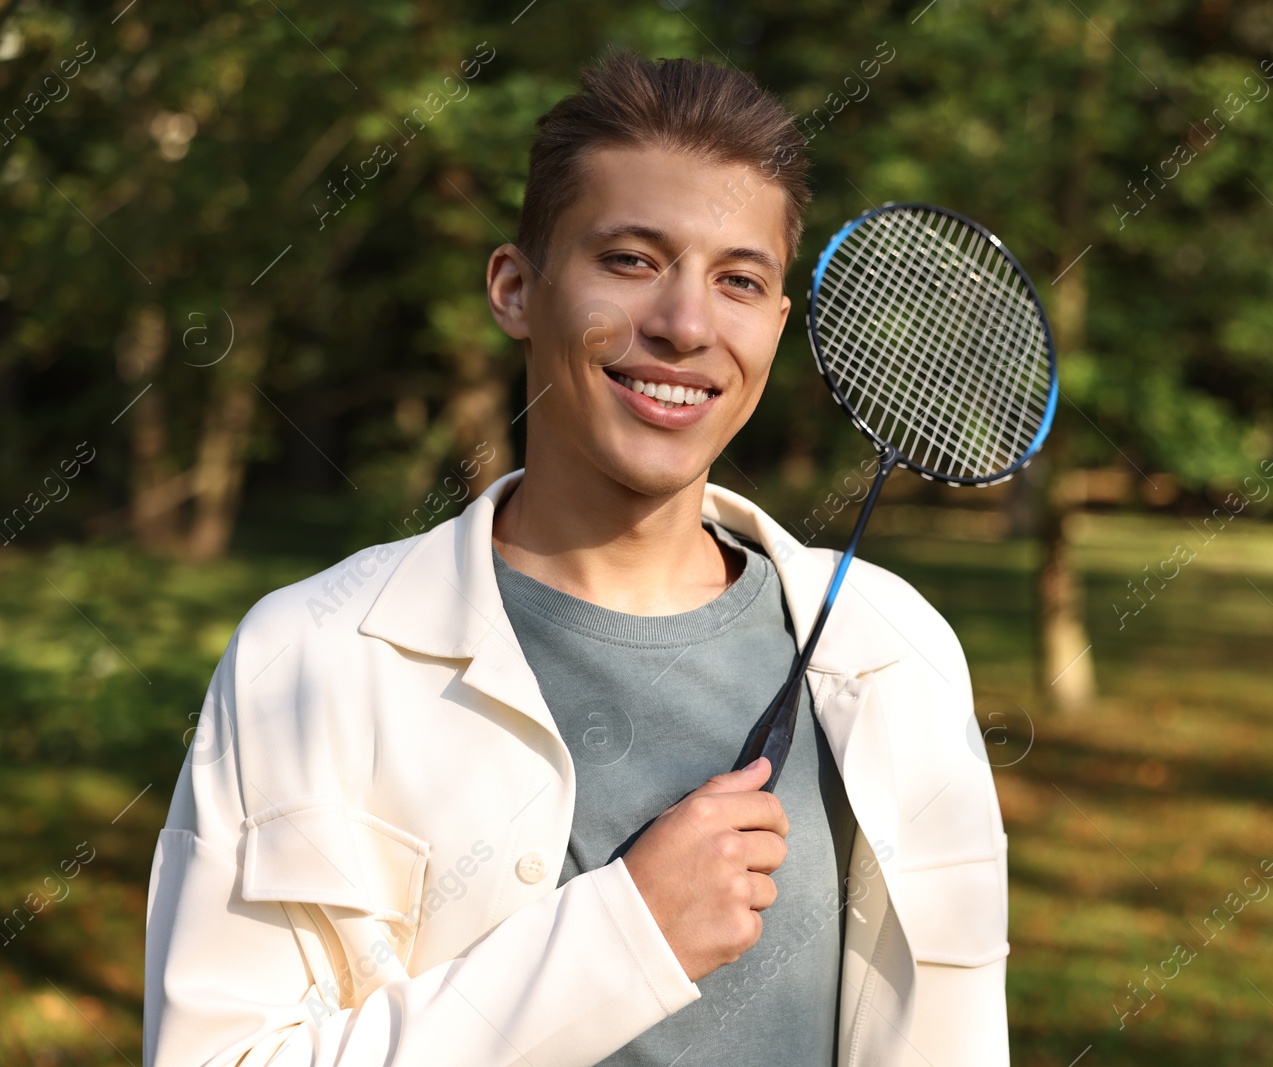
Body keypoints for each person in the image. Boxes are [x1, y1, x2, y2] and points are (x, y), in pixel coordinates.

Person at [143, 49, 1010, 1067]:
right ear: (516, 289)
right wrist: (620, 937)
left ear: (776, 328)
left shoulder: (894, 645)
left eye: (739, 280)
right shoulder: (309, 655)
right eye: (631, 260)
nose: (686, 325)